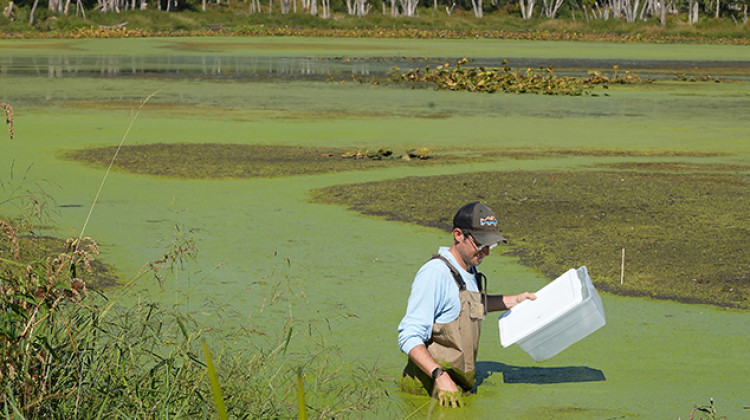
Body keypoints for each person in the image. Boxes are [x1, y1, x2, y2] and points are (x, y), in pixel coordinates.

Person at [397, 201, 536, 407]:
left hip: (459, 389)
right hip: (429, 392)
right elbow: (408, 335)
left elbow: (469, 305)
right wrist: (440, 375)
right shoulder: (435, 273)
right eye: (480, 243)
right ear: (458, 235)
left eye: (491, 245)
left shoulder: (470, 269)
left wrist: (514, 300)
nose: (486, 251)